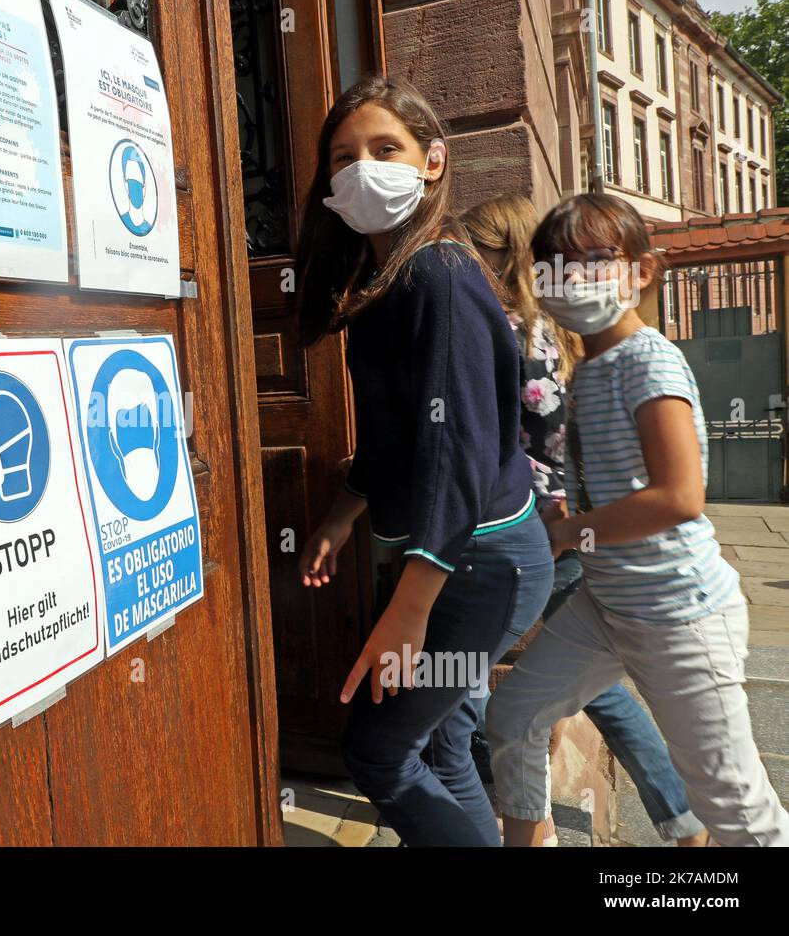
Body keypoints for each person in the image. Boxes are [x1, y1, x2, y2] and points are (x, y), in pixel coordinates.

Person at [295, 76, 553, 847]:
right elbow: (391, 440)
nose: (362, 170)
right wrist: (341, 517)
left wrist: (409, 610)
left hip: (478, 571)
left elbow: (459, 454)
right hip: (454, 566)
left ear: (432, 161)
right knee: (439, 743)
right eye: (344, 158)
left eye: (385, 149)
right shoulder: (385, 282)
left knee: (378, 751)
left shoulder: (437, 274)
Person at [487, 192, 789, 847]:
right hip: (610, 603)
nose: (573, 278)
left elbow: (680, 496)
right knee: (515, 714)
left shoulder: (645, 359)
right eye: (556, 264)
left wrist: (571, 531)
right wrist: (574, 510)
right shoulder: (592, 366)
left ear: (641, 272)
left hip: (679, 610)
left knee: (735, 807)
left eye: (596, 260)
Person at [461, 194, 707, 847]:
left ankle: (517, 819)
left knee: (476, 674)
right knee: (590, 688)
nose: (467, 264)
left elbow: (515, 436)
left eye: (476, 251)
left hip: (539, 525)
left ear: (503, 251)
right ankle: (677, 823)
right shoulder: (557, 323)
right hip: (568, 522)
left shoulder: (517, 327)